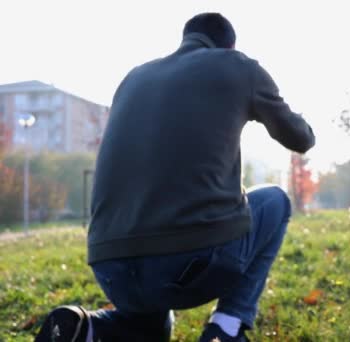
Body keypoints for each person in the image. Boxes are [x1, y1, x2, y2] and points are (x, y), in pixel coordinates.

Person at [35, 12, 315, 342]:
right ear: (229, 45)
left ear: (186, 38)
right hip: (188, 263)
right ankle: (226, 329)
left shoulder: (133, 78)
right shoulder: (238, 65)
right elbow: (301, 139)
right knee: (275, 201)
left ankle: (89, 329)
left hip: (111, 268)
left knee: (154, 328)